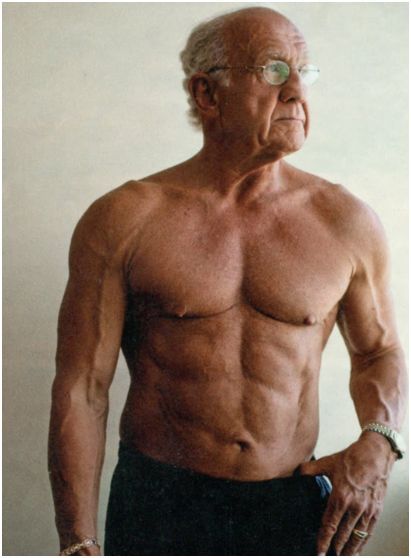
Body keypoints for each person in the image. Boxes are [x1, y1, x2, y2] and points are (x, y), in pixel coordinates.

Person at [48, 6, 407, 557]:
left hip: (291, 504)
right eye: (273, 71)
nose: (296, 92)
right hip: (160, 501)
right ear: (207, 93)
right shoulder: (125, 219)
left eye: (304, 72)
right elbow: (82, 388)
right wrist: (77, 541)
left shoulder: (345, 220)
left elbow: (379, 351)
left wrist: (380, 443)